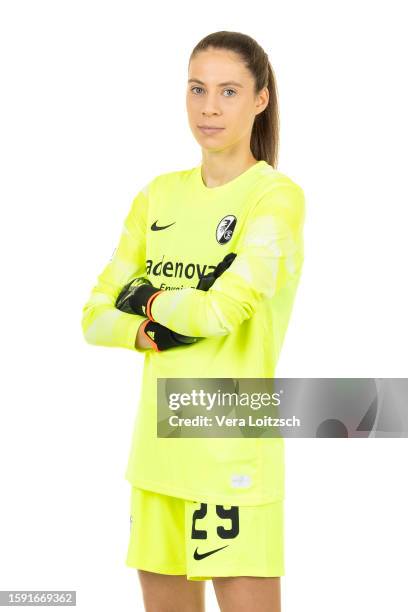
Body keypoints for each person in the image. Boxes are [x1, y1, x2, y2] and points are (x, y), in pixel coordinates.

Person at [81, 30, 305, 612]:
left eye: (229, 91)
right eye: (197, 89)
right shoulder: (157, 196)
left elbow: (223, 311)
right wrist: (141, 325)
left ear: (260, 99)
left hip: (230, 455)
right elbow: (93, 315)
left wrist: (147, 299)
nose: (209, 107)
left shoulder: (274, 199)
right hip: (157, 456)